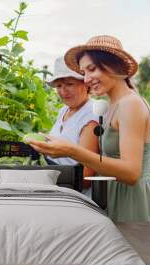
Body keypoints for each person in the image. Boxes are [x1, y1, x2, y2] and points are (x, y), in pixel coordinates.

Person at [29, 35, 150, 222]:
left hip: (130, 204)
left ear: (113, 66)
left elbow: (132, 173)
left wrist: (71, 150)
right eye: (84, 72)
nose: (86, 79)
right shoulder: (113, 105)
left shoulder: (130, 104)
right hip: (112, 196)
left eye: (91, 69)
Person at [46, 57, 99, 193]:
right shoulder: (64, 110)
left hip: (74, 194)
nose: (63, 91)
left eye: (69, 84)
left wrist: (45, 176)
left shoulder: (91, 116)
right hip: (57, 185)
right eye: (59, 86)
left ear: (86, 84)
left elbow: (86, 176)